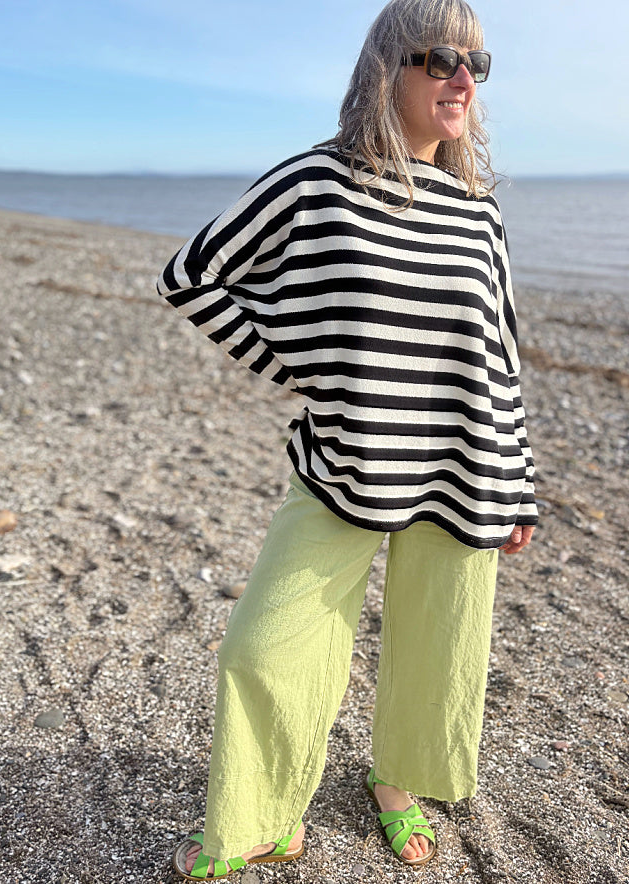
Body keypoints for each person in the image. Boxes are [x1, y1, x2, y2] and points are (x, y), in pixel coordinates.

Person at [158, 0, 537, 877]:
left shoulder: (479, 212)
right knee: (266, 644)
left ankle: (397, 784)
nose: (461, 78)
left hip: (466, 466)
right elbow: (195, 276)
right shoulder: (317, 182)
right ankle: (263, 812)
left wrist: (517, 481)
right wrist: (307, 370)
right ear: (384, 67)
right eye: (440, 56)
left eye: (477, 65)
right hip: (344, 461)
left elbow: (500, 354)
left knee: (440, 649)